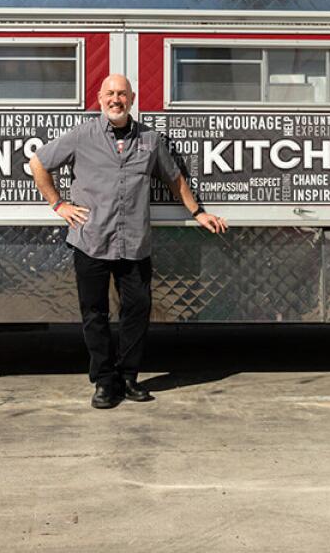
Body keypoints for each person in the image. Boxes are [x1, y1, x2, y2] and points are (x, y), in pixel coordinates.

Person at [28, 73, 227, 409]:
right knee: (95, 313)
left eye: (122, 94)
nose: (115, 99)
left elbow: (174, 178)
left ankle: (130, 377)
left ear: (132, 99)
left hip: (133, 243)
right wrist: (58, 204)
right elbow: (38, 163)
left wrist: (197, 213)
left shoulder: (150, 140)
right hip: (90, 238)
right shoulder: (82, 135)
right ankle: (104, 382)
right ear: (99, 97)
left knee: (137, 310)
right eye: (109, 93)